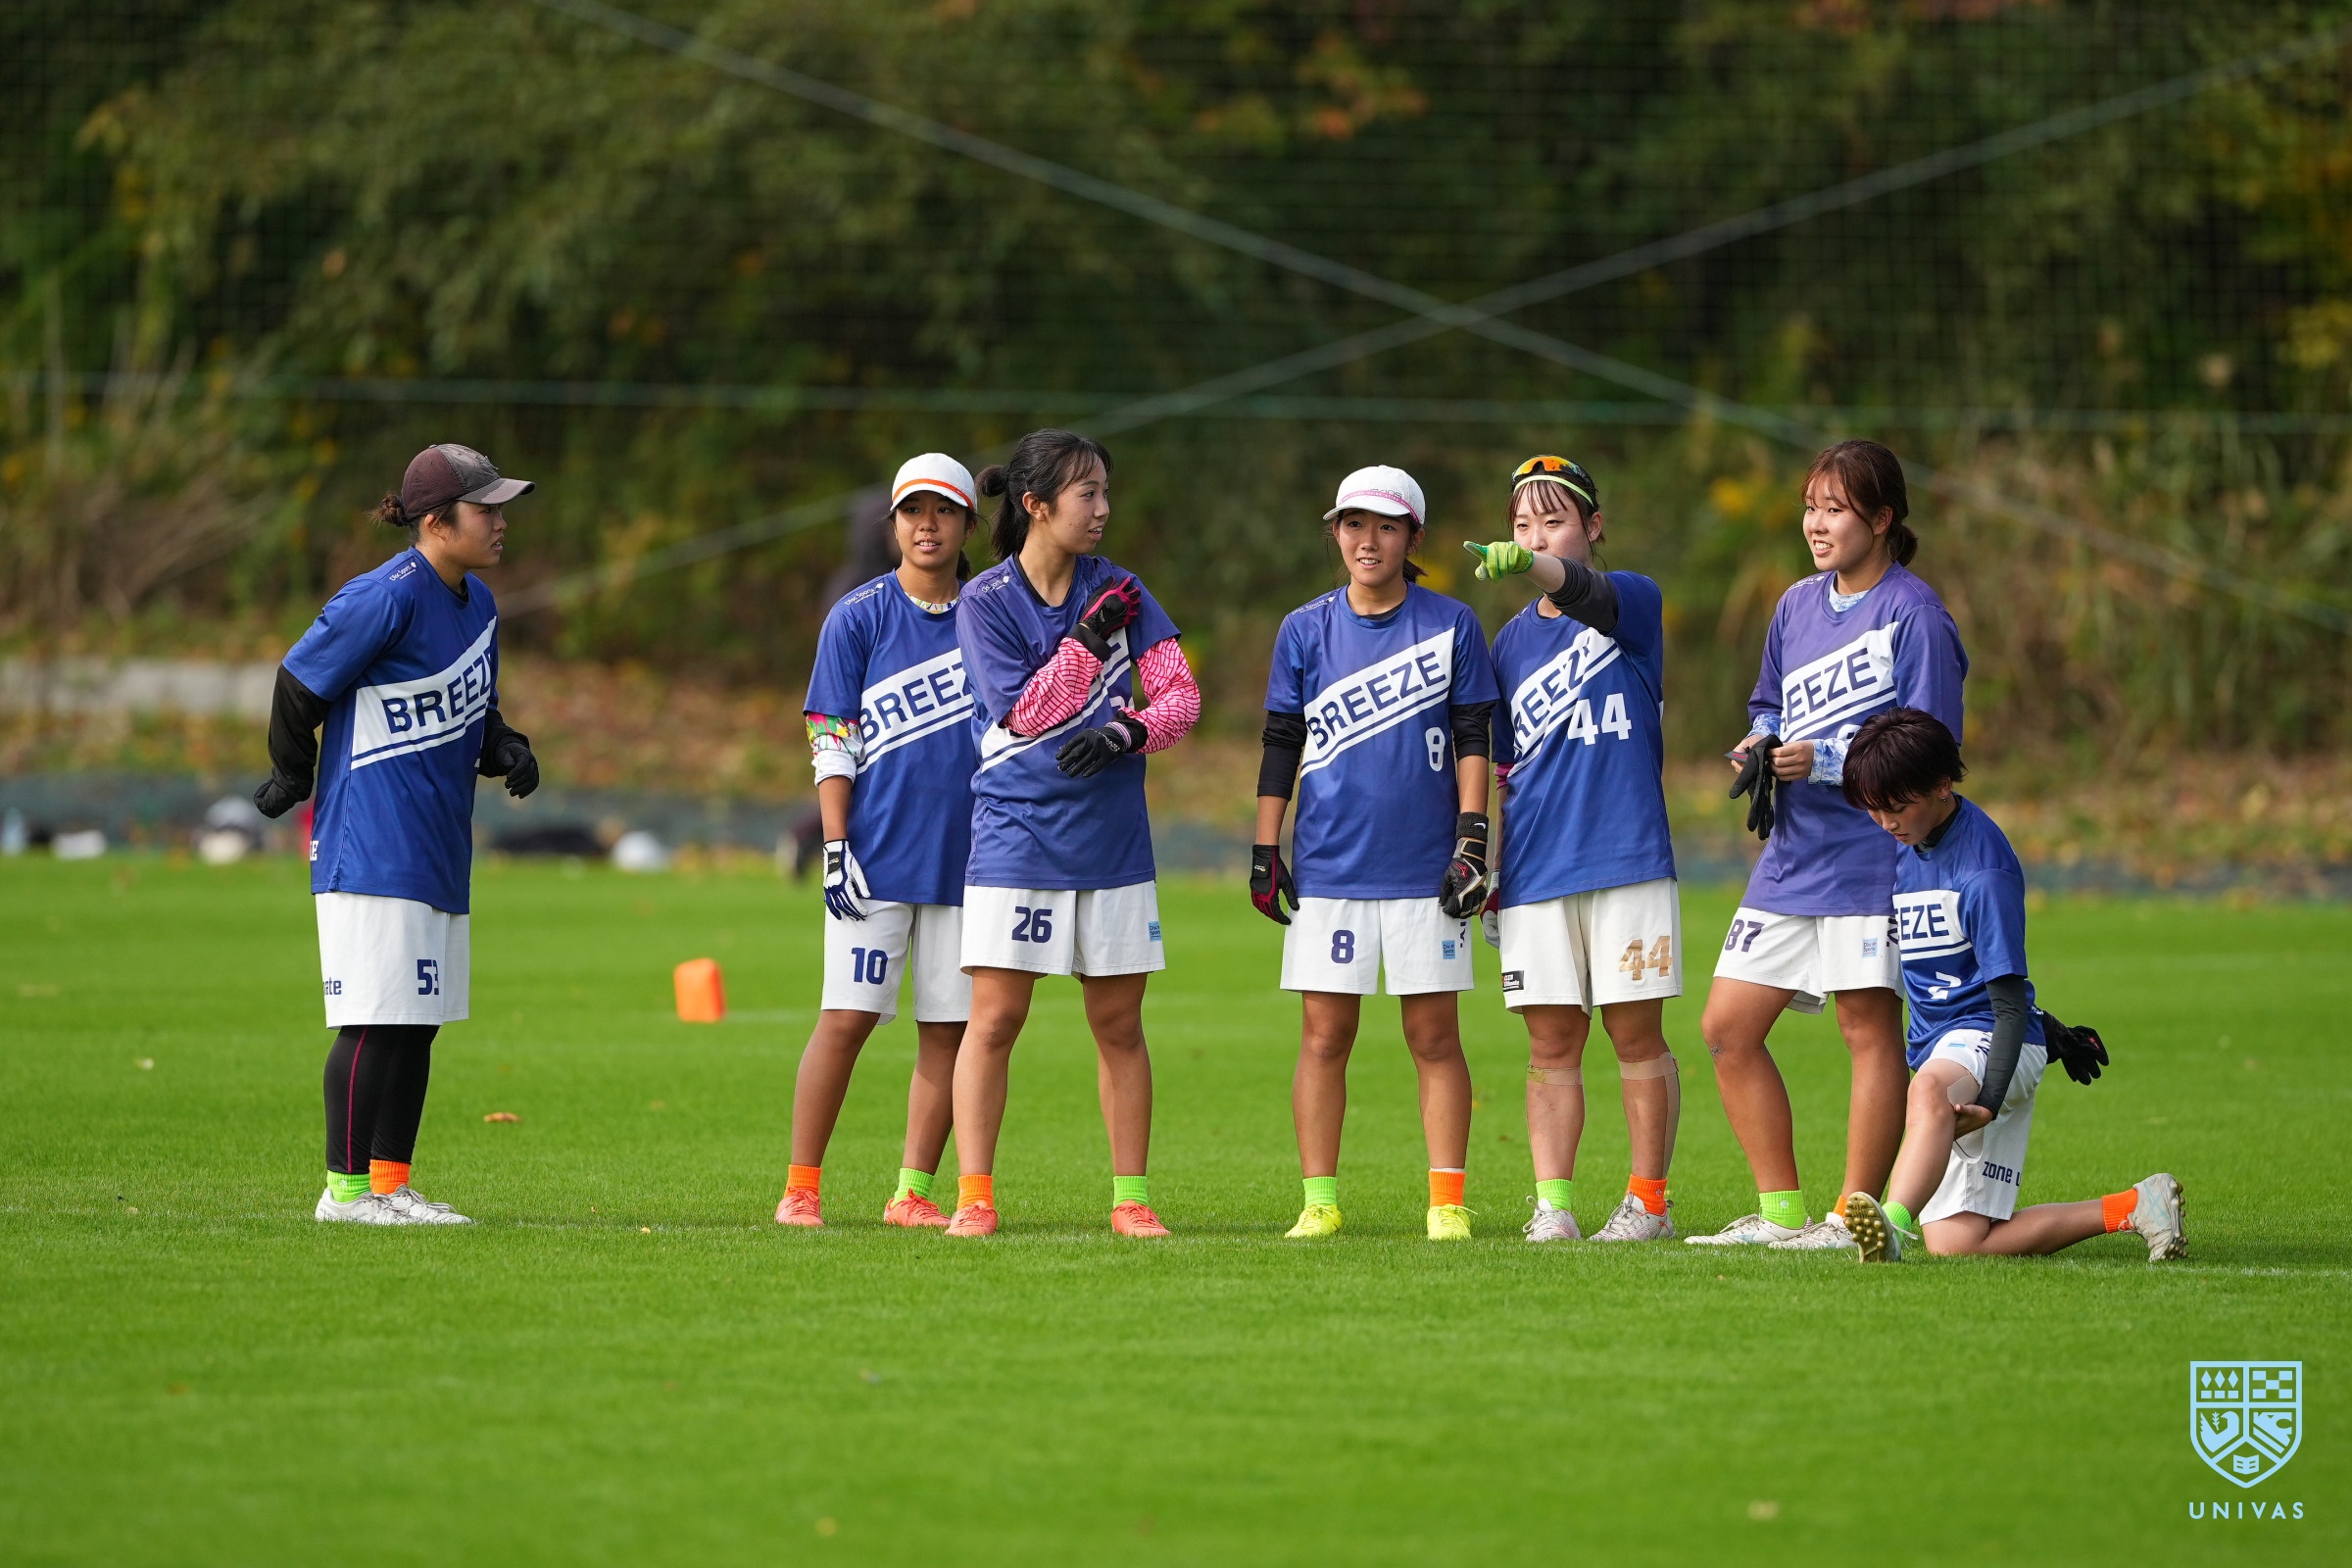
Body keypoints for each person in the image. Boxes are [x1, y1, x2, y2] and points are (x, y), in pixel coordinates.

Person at [1690, 439, 1968, 1250]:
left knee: (1866, 1030)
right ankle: (1782, 1216)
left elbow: (1933, 750)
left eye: (1835, 509)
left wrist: (1827, 760)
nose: (1816, 524)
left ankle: (1853, 1220)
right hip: (1792, 855)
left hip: (1875, 856)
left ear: (1881, 519)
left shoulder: (1916, 615)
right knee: (1727, 1028)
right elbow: (1770, 702)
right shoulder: (1794, 604)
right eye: (1811, 507)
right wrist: (1760, 742)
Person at [254, 443, 540, 1225]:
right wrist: (292, 774)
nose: (501, 522)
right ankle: (344, 1194)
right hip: (373, 843)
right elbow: (298, 682)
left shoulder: (479, 603)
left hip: (438, 845)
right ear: (437, 521)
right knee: (375, 1021)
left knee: (417, 1025)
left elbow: (472, 706)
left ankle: (389, 1185)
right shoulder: (385, 596)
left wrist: (505, 746)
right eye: (486, 509)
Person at [947, 429, 1200, 1238]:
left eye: (1104, 493)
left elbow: (1181, 700)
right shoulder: (985, 601)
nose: (1103, 509)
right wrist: (1088, 641)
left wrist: (1128, 733)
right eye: (1087, 493)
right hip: (1016, 834)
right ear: (1036, 505)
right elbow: (1027, 714)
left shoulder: (1124, 588)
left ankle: (1131, 1199)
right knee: (995, 1021)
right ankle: (974, 1197)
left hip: (1112, 840)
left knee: (1120, 1026)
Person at [1835, 709, 2185, 1263]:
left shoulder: (1982, 873)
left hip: (1991, 1040)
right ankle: (2139, 1206)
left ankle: (1890, 1227)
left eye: (1896, 808)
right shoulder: (1913, 839)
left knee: (1927, 1092)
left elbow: (2006, 1004)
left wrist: (1990, 1101)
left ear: (1941, 785)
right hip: (1957, 1049)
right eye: (1874, 809)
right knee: (1957, 1244)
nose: (1885, 823)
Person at [1252, 465, 1499, 1242]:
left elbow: (1473, 734)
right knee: (1325, 1037)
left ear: (1412, 538)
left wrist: (1472, 835)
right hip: (1330, 868)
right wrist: (1265, 845)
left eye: (1386, 527)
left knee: (1434, 1038)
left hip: (1427, 869)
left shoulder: (1452, 622)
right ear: (1335, 532)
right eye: (1354, 524)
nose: (1368, 540)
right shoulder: (1304, 628)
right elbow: (1282, 741)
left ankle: (1447, 1203)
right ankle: (1319, 1202)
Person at [1463, 455, 1681, 1244]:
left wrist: (1536, 566)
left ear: (1593, 526)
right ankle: (1553, 1206)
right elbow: (1505, 769)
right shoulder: (1508, 643)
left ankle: (1649, 1204)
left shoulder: (1634, 601)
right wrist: (1490, 871)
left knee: (1635, 1036)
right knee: (1551, 1044)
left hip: (1627, 859)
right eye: (1522, 525)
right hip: (1535, 870)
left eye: (1552, 522)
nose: (1534, 538)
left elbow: (1582, 591)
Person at [775, 454, 982, 1230]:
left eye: (943, 511)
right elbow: (832, 736)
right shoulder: (857, 615)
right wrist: (835, 843)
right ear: (893, 523)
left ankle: (912, 1192)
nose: (927, 526)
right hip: (874, 857)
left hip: (972, 861)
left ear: (967, 524)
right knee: (846, 1018)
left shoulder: (992, 614)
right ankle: (801, 1189)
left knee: (949, 1031)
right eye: (912, 511)